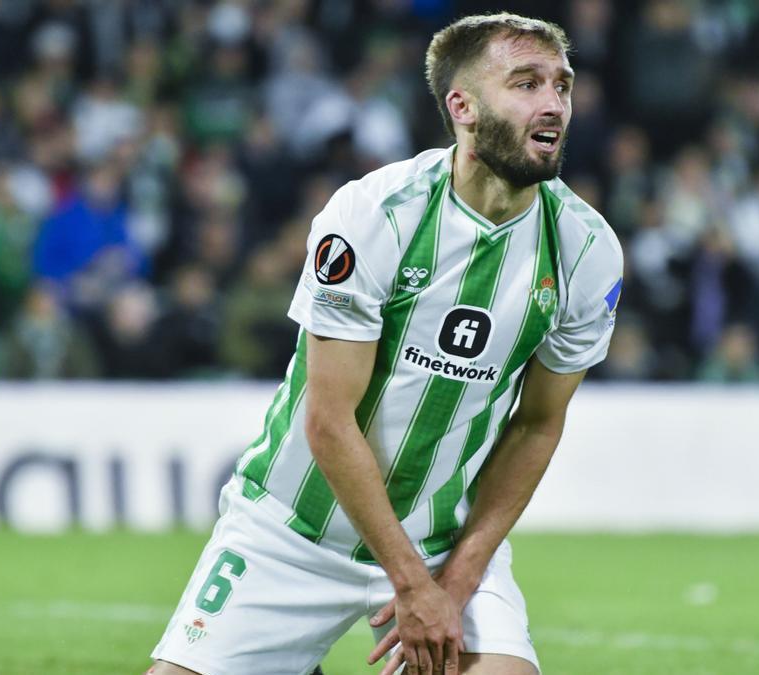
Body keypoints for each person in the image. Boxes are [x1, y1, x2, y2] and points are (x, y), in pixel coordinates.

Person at [147, 13, 623, 675]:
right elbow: (328, 418)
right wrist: (409, 584)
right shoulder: (374, 214)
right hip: (292, 532)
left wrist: (453, 579)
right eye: (526, 83)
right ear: (463, 106)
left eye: (562, 85)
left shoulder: (586, 249)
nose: (554, 104)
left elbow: (538, 424)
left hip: (441, 543)